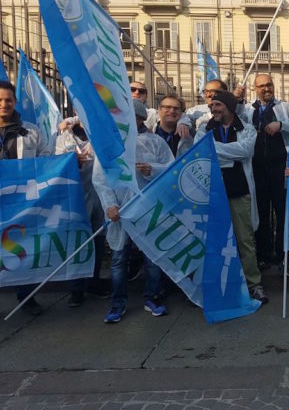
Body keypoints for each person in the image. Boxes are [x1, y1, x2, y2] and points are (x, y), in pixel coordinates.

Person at [93, 100, 174, 323]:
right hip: (120, 210)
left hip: (148, 208)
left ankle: (153, 297)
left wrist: (152, 170)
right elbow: (100, 179)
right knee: (119, 258)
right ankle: (117, 304)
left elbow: (171, 168)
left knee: (152, 256)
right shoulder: (108, 145)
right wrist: (110, 205)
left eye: (131, 117)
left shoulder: (155, 142)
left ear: (139, 119)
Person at [195, 90, 268, 303]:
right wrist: (229, 152)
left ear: (228, 106)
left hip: (240, 192)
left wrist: (216, 150)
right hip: (213, 194)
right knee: (216, 241)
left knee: (245, 240)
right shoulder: (204, 129)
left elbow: (246, 152)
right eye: (212, 105)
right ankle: (221, 285)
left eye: (218, 105)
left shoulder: (246, 128)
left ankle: (254, 284)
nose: (214, 109)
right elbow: (201, 151)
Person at [235, 74, 289, 268]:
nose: (266, 88)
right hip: (256, 169)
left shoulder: (285, 108)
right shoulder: (248, 110)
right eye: (261, 86)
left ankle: (282, 255)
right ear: (255, 89)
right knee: (261, 213)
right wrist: (237, 99)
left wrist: (282, 125)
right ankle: (264, 255)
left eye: (269, 85)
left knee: (281, 213)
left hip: (280, 168)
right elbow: (236, 119)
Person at [0, 80, 51, 316]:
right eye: (0, 100)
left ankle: (26, 295)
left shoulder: (31, 131)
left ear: (15, 102)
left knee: (25, 245)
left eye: (8, 100)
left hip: (23, 199)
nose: (4, 104)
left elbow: (47, 161)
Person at [56, 117, 109, 306]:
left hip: (101, 196)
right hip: (76, 197)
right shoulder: (65, 137)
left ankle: (94, 281)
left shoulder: (104, 133)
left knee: (98, 241)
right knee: (77, 242)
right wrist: (72, 161)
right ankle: (76, 289)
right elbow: (55, 164)